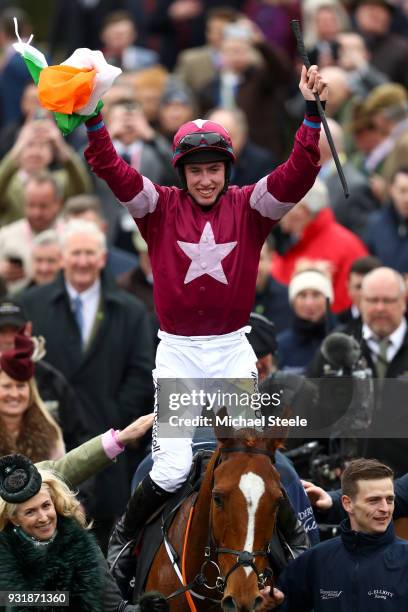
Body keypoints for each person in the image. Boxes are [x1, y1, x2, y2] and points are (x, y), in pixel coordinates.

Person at [84, 63, 328, 531]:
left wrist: (312, 115)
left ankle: (291, 542)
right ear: (182, 173)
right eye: (196, 172)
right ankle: (124, 543)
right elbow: (111, 169)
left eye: (213, 170)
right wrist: (95, 122)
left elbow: (298, 174)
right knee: (172, 469)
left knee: (249, 461)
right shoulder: (157, 206)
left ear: (226, 169)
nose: (205, 180)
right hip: (177, 355)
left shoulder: (251, 205)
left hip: (233, 353)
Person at [19, 219, 154, 548]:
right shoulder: (31, 304)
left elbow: (140, 375)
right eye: (75, 253)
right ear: (63, 257)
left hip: (109, 448)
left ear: (103, 258)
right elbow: (25, 371)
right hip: (46, 447)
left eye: (89, 253)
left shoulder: (131, 311)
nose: (82, 261)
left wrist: (112, 425)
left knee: (102, 548)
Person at [0, 453, 157, 612]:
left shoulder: (81, 547)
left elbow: (114, 608)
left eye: (46, 506)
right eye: (30, 512)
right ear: (14, 519)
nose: (43, 517)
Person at [261, 458, 408, 610]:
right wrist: (273, 603)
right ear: (347, 503)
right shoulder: (315, 560)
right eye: (374, 500)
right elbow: (282, 604)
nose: (385, 508)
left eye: (390, 499)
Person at [0, 331, 65, 463]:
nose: (14, 394)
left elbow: (60, 477)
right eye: (6, 386)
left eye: (21, 386)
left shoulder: (50, 433)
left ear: (31, 390)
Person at [277, 266, 335, 374]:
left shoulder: (343, 339)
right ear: (293, 302)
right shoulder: (280, 346)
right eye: (302, 295)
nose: (309, 303)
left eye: (316, 295)